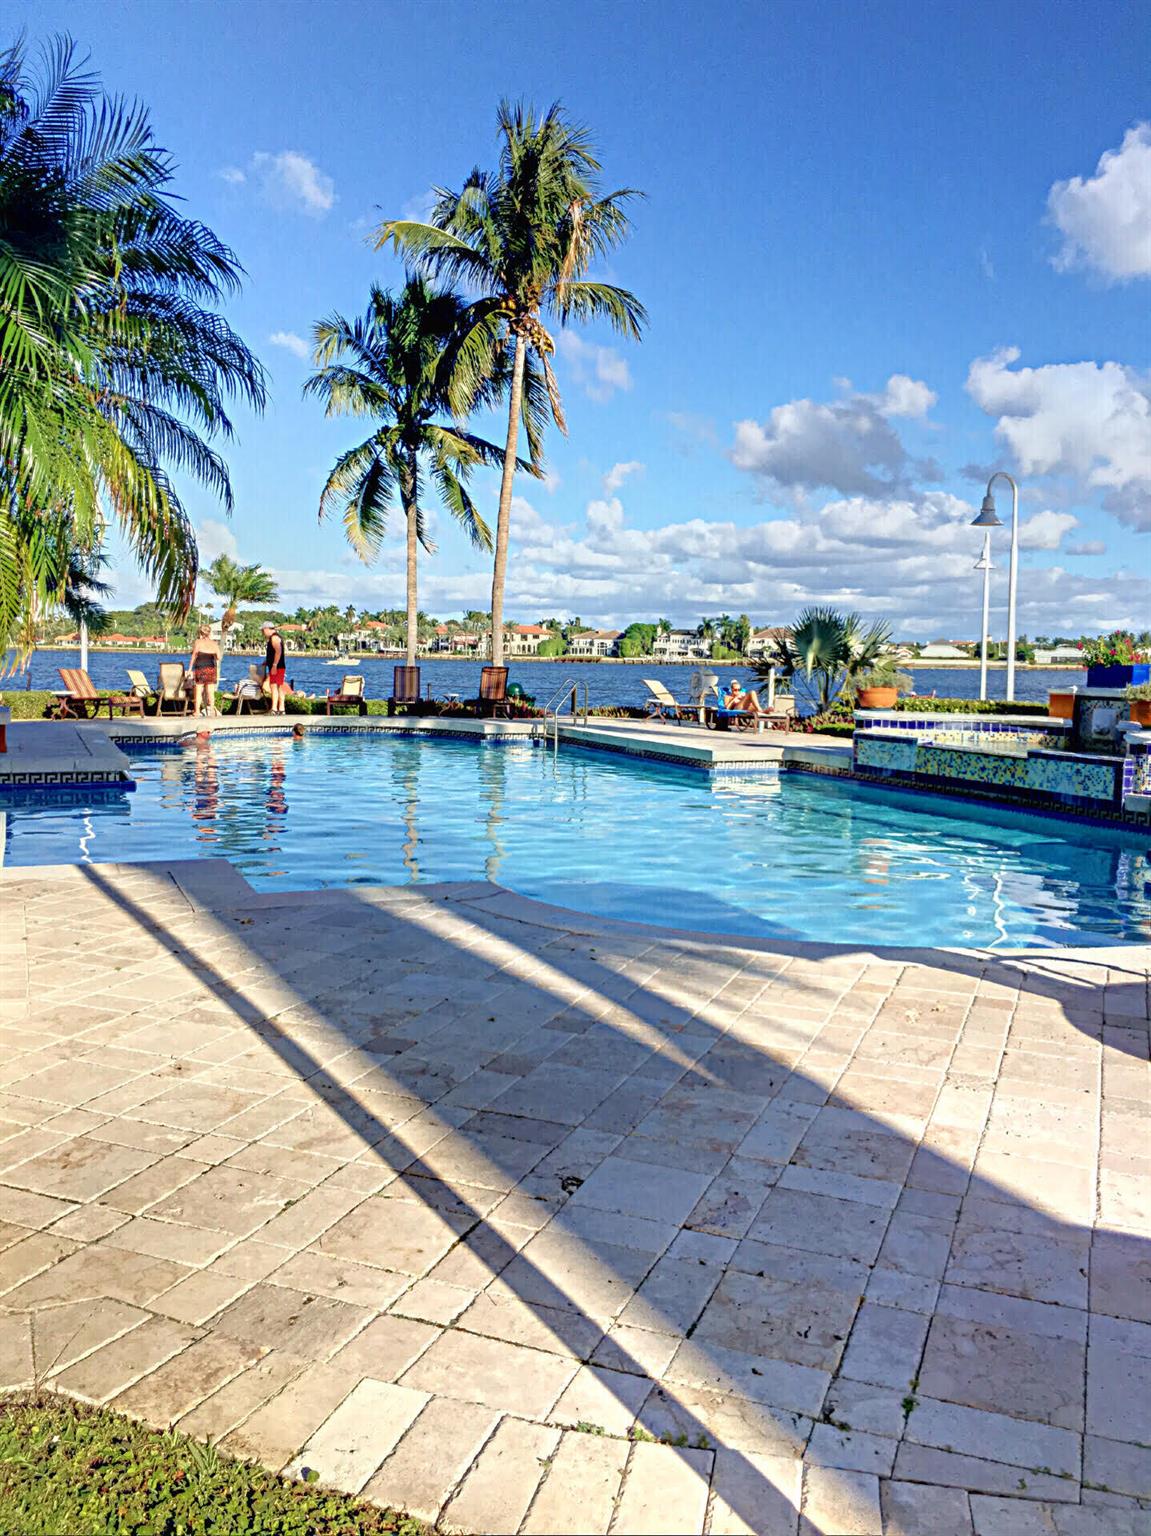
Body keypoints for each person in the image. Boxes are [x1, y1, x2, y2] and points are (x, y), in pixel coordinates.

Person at [188, 624, 221, 716]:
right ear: (209, 633)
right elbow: (218, 657)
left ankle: (197, 711)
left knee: (199, 690)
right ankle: (211, 712)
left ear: (200, 633)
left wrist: (190, 669)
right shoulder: (214, 643)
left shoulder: (198, 642)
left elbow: (194, 656)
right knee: (211, 691)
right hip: (211, 668)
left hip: (200, 668)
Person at [261, 621, 287, 715]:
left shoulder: (274, 638)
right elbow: (273, 653)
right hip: (278, 666)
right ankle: (281, 708)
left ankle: (274, 709)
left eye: (263, 631)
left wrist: (274, 665)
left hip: (277, 667)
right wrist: (267, 661)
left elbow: (278, 652)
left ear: (267, 629)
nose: (263, 633)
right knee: (278, 687)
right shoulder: (275, 637)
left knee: (274, 686)